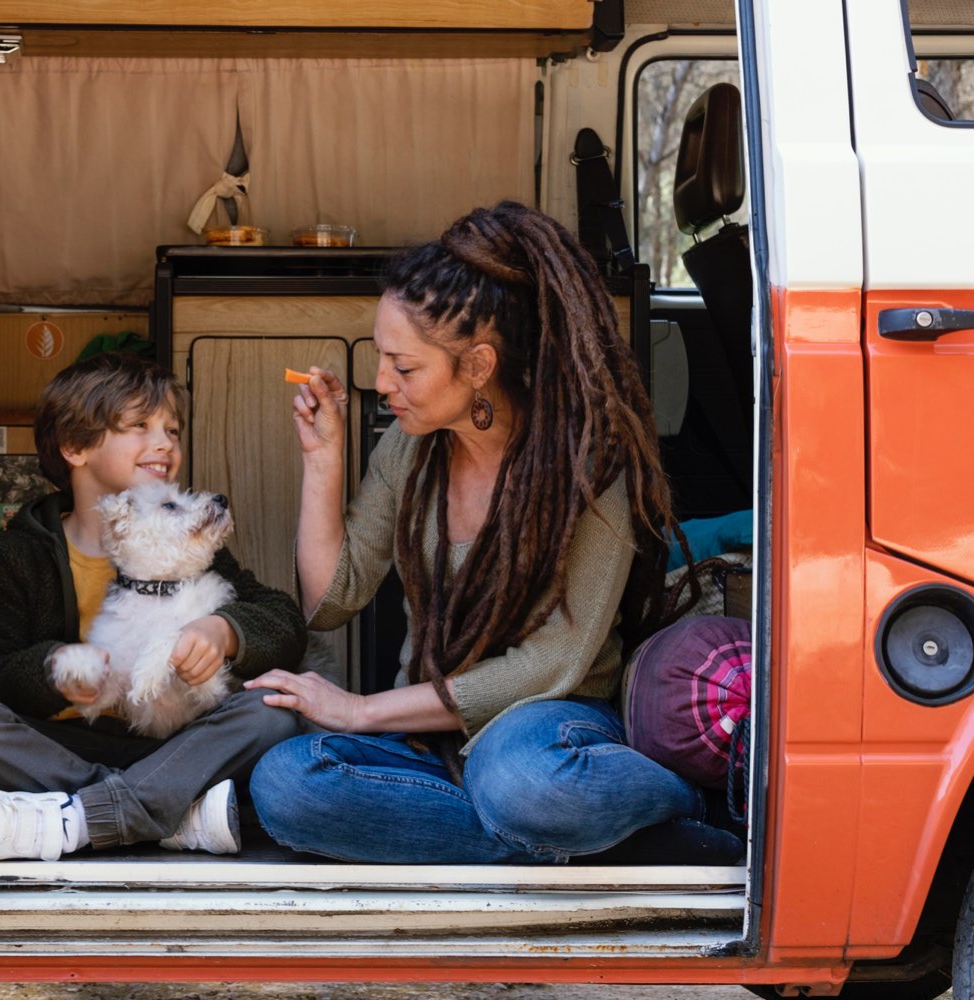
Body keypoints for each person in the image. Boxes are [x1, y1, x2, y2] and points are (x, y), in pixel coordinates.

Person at [245, 201, 743, 865]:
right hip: (434, 736)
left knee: (524, 785)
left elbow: (555, 663)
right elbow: (331, 599)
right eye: (379, 359)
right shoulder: (408, 449)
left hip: (548, 726)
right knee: (284, 784)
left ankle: (685, 804)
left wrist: (362, 711)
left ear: (478, 365)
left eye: (405, 366)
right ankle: (571, 843)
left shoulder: (588, 464)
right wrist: (322, 460)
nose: (380, 382)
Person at [0, 351, 306, 862]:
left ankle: (79, 818)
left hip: (181, 744)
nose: (165, 443)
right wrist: (53, 672)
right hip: (64, 748)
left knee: (271, 711)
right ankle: (167, 812)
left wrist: (226, 630)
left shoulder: (186, 541)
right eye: (140, 426)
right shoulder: (21, 551)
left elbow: (283, 619)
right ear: (75, 447)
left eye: (172, 429)